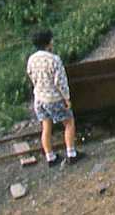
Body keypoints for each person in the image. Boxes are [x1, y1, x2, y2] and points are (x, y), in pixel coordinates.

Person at [26, 29, 81, 166]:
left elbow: (31, 76)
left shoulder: (31, 59)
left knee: (46, 127)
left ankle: (50, 157)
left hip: (39, 99)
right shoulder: (54, 59)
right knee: (69, 123)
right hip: (53, 98)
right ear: (48, 42)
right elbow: (60, 82)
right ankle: (71, 154)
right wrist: (67, 98)